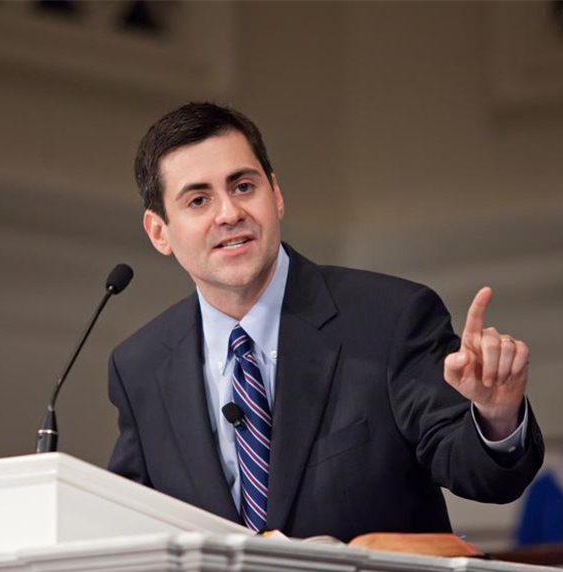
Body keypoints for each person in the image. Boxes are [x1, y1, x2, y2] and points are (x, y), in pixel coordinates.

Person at [107, 102, 543, 541]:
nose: (229, 213)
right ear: (159, 232)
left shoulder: (391, 317)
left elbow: (482, 475)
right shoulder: (139, 366)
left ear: (275, 195)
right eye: (198, 200)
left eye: (243, 186)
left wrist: (496, 416)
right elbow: (124, 524)